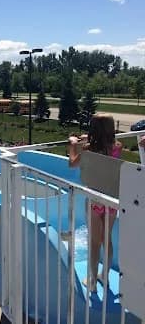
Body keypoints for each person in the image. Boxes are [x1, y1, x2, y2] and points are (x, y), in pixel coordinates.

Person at [67, 113, 145, 292]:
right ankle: (104, 276)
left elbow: (72, 163)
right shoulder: (117, 147)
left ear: (93, 130)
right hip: (111, 200)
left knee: (94, 243)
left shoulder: (87, 150)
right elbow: (106, 147)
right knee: (107, 240)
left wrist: (73, 145)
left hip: (95, 201)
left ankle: (92, 282)